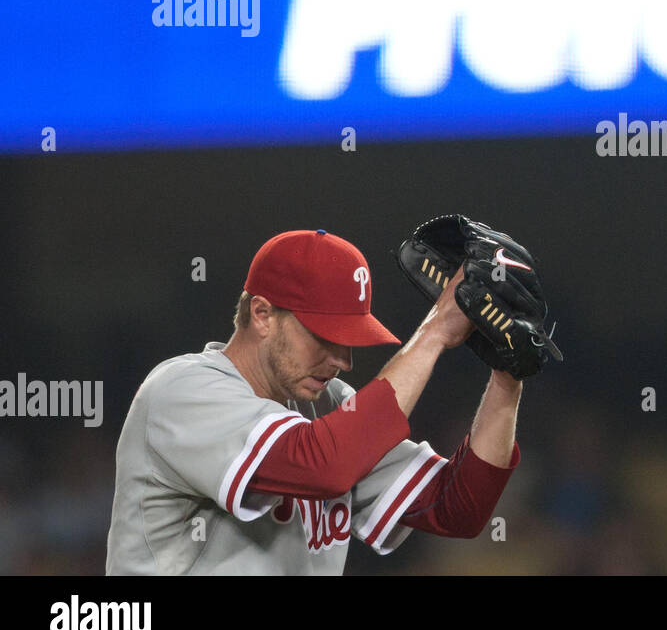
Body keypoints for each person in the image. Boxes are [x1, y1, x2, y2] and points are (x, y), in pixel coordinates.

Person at [106, 228, 522, 574]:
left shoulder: (328, 407)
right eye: (325, 336)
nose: (342, 360)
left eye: (350, 340)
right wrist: (433, 334)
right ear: (263, 314)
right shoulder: (182, 390)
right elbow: (324, 465)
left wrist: (507, 375)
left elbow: (457, 508)